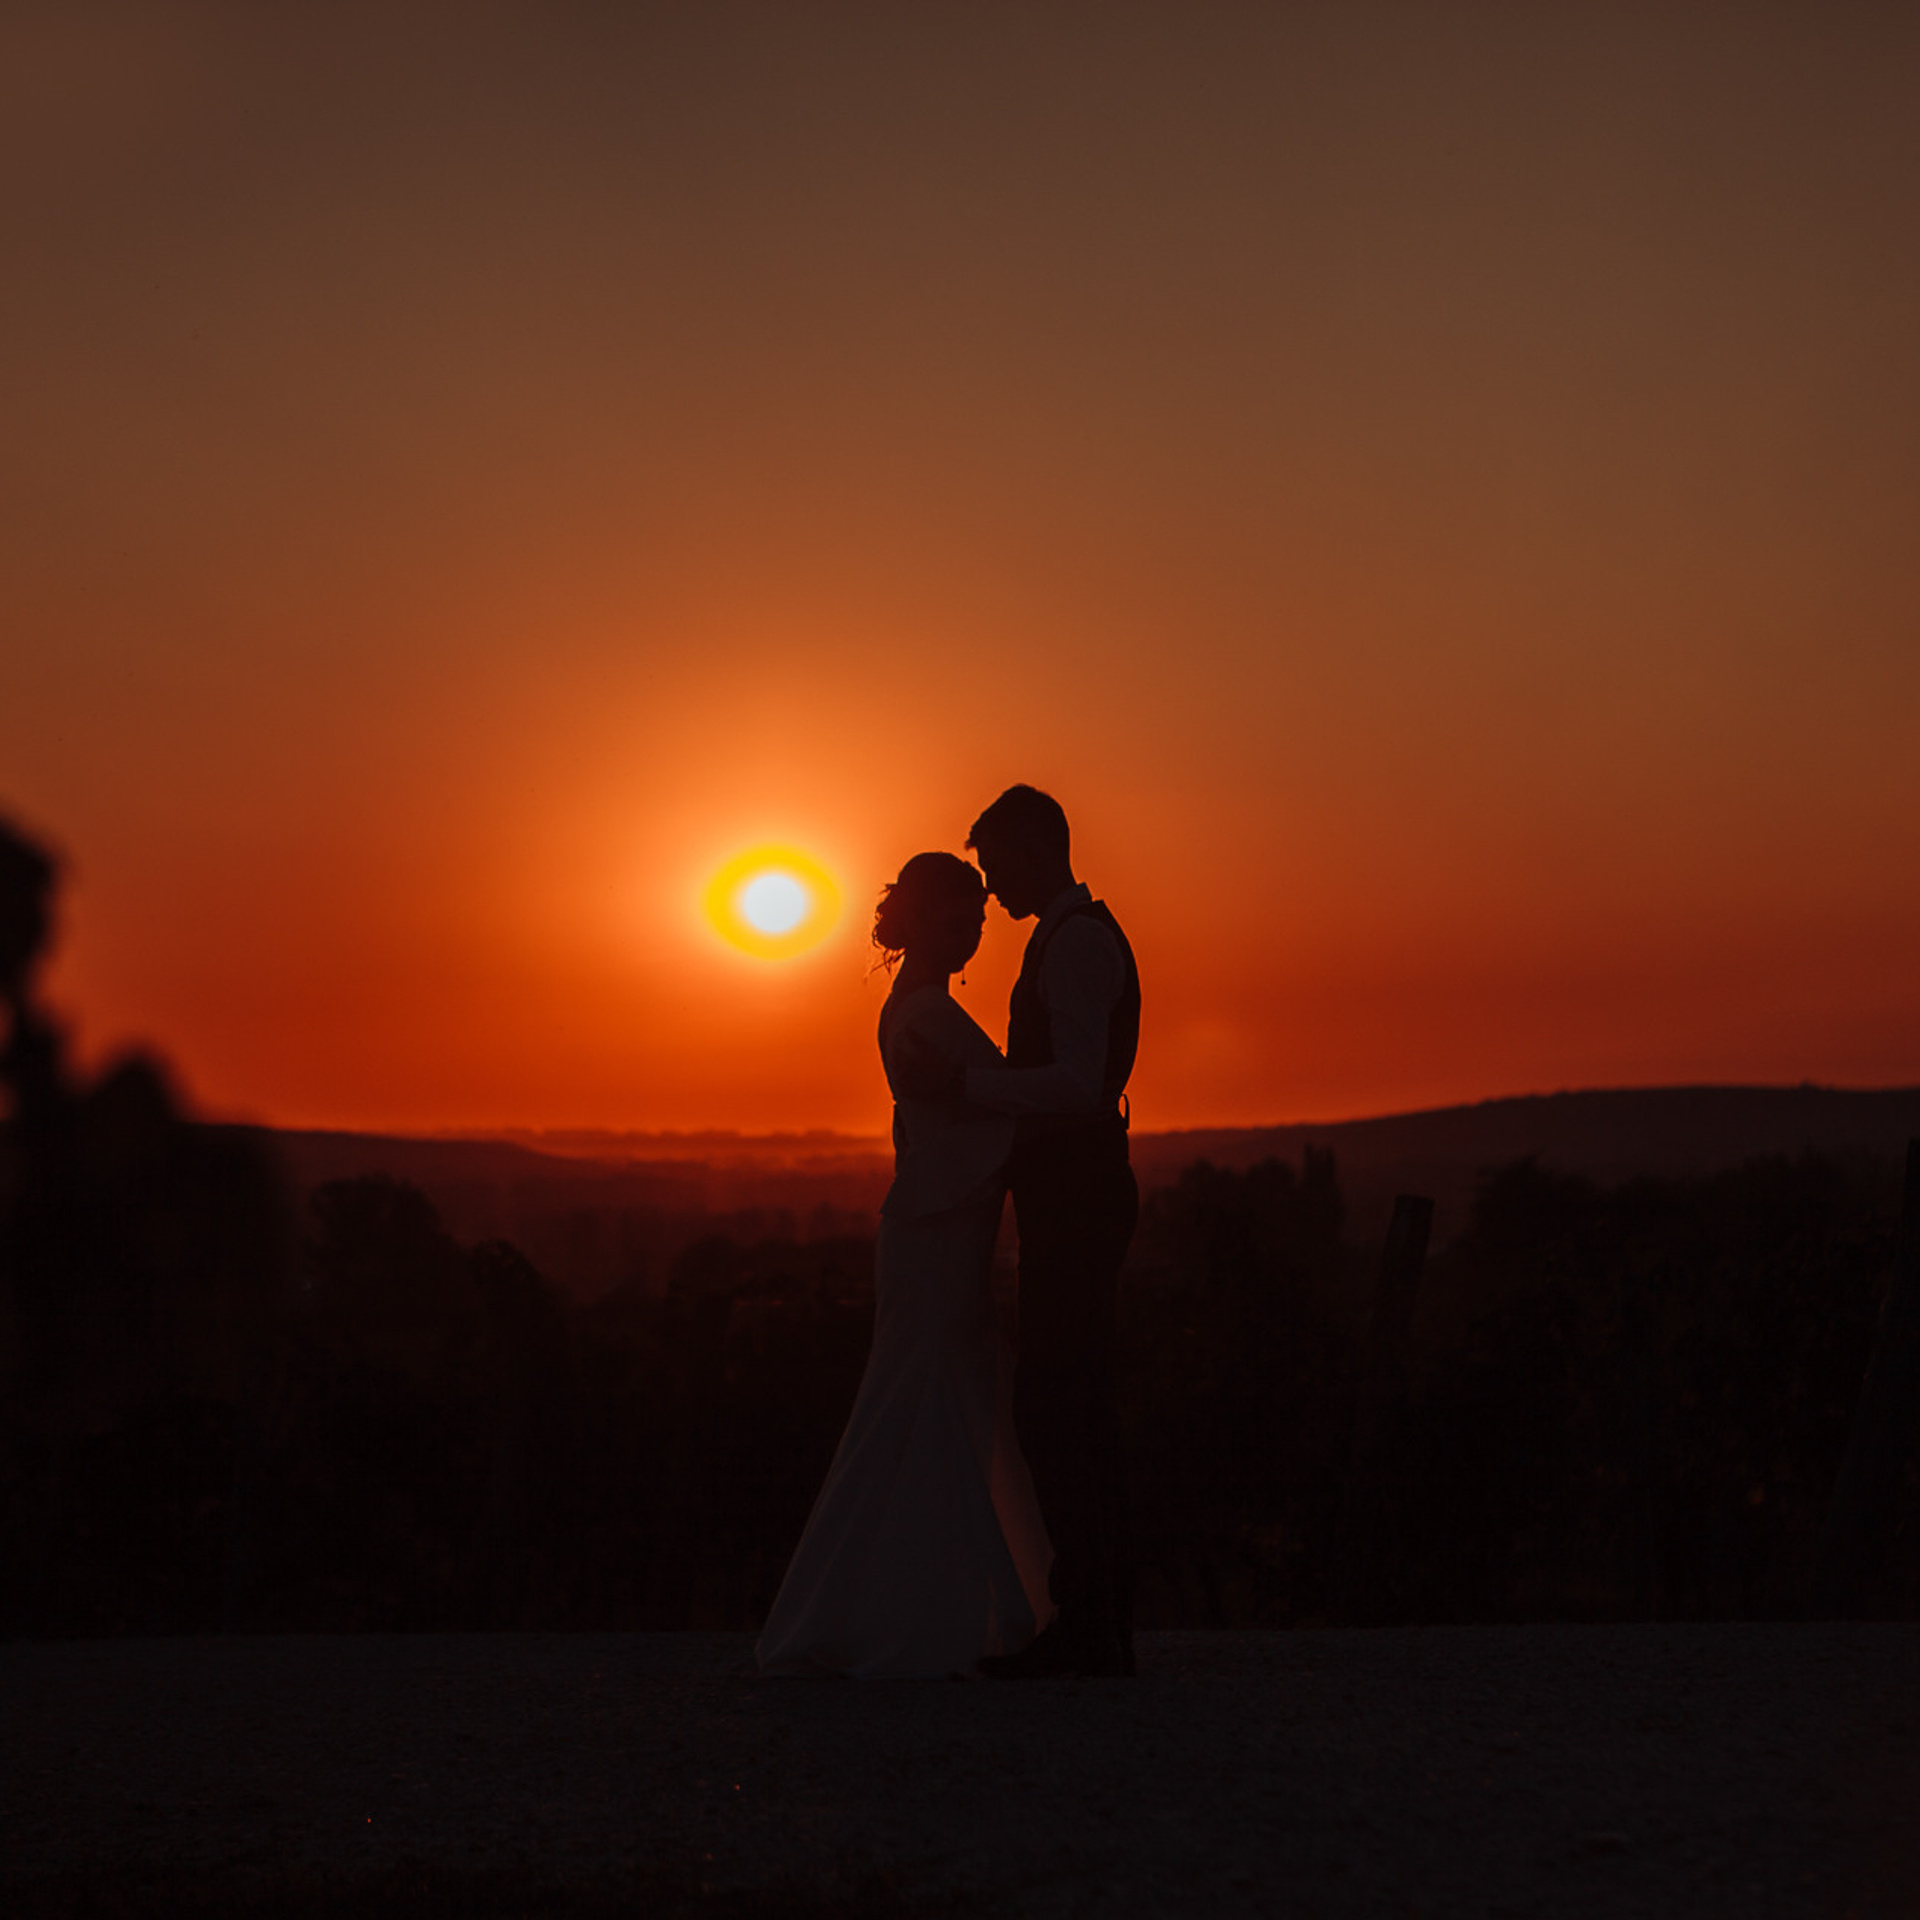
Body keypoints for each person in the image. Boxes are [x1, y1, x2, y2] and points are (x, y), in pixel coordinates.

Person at [755, 852, 1052, 1678]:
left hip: (943, 1228)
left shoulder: (921, 1011)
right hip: (935, 1234)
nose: (967, 939)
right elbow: (993, 1114)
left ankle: (939, 1605)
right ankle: (901, 1613)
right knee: (915, 1402)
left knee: (944, 1401)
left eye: (976, 926)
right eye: (953, 924)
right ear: (914, 922)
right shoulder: (925, 1015)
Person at [905, 785, 1140, 1678]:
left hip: (1079, 1195)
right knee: (1074, 1401)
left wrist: (968, 1091)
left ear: (1038, 848)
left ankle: (1091, 1625)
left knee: (1059, 1403)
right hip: (1068, 1195)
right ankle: (1101, 1619)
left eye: (996, 862)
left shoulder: (1076, 943)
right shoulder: (1067, 938)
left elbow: (1080, 1083)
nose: (989, 885)